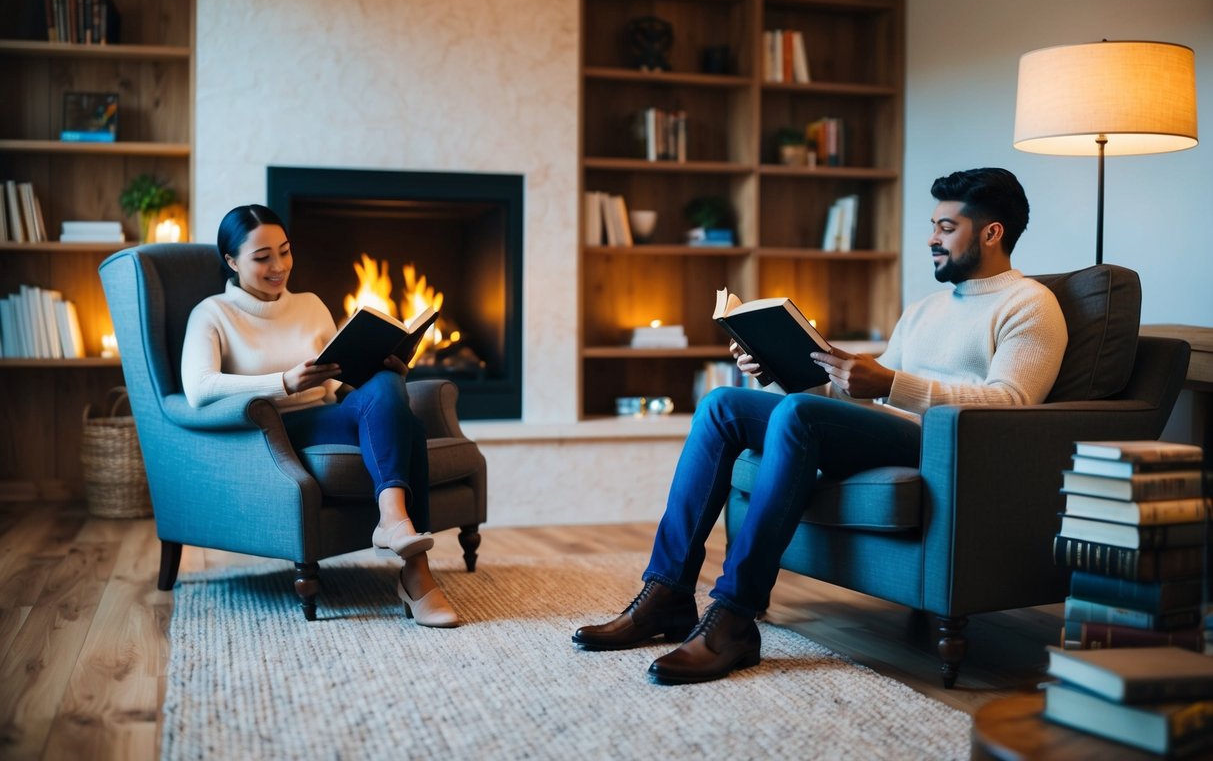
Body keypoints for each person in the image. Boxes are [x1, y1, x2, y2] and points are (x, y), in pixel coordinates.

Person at [572, 168, 1068, 683]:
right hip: (882, 429)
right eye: (933, 225)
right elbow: (851, 393)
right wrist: (781, 369)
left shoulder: (1030, 305)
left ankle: (734, 616)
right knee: (724, 403)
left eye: (945, 227)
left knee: (799, 413)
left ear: (992, 233)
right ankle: (668, 593)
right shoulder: (926, 309)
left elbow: (1011, 403)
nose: (931, 239)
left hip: (940, 444)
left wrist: (891, 382)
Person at [181, 204, 458, 628]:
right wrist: (284, 382)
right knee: (410, 428)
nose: (279, 266)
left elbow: (340, 384)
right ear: (232, 261)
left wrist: (388, 372)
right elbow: (199, 389)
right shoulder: (212, 313)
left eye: (285, 251)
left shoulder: (309, 305)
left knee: (387, 388)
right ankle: (416, 578)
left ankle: (393, 519)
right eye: (262, 258)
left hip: (325, 415)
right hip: (273, 432)